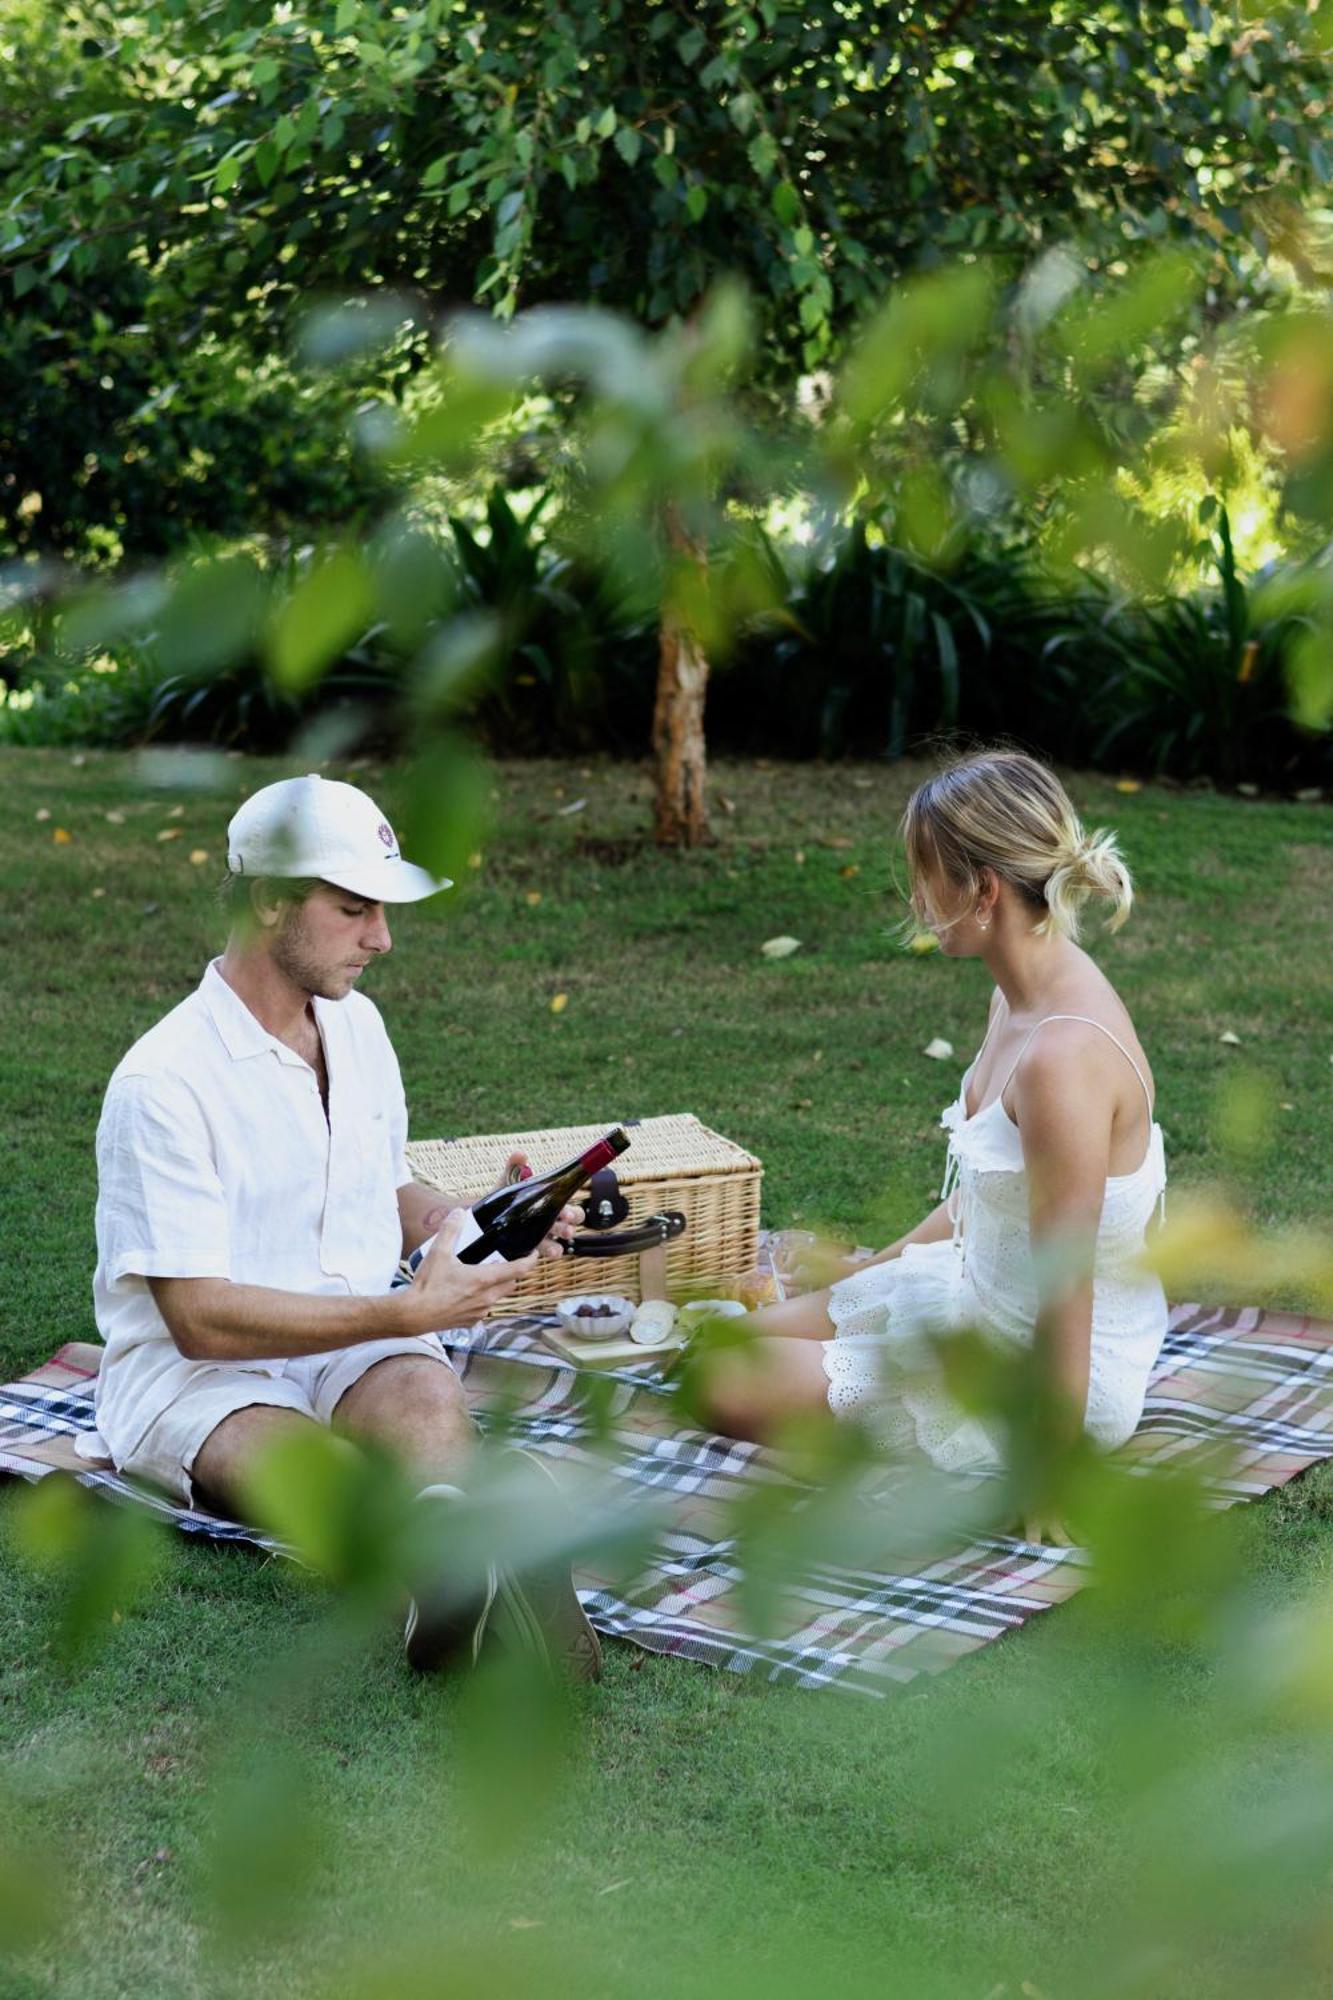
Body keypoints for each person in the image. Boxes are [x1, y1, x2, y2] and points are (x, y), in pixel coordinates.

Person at [87, 771, 600, 1677]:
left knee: (421, 1399)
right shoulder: (161, 1082)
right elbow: (199, 1317)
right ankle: (451, 1574)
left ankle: (455, 1553)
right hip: (199, 1377)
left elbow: (381, 1183)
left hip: (355, 1333)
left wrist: (460, 1221)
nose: (383, 938)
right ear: (271, 902)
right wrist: (408, 1314)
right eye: (355, 908)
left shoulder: (357, 1027)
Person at [697, 749, 1169, 1535]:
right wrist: (870, 1269)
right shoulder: (1017, 995)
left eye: (924, 874)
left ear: (981, 890)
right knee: (719, 1339)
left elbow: (1065, 1281)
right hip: (970, 1298)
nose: (916, 897)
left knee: (717, 1379)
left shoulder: (1061, 1058)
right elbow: (985, 1199)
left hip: (1033, 1374)